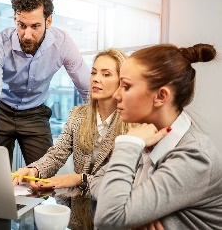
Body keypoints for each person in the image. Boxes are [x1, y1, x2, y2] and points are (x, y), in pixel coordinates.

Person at [90, 43, 222, 230]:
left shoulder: (195, 156)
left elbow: (108, 218)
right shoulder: (147, 134)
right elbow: (98, 179)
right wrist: (129, 208)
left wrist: (128, 144)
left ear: (161, 96)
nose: (117, 95)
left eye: (126, 86)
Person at [13, 48, 136, 229]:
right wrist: (34, 171)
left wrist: (80, 179)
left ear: (122, 81)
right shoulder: (78, 115)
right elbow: (57, 154)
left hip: (116, 213)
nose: (96, 78)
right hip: (79, 214)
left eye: (106, 74)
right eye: (93, 72)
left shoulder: (133, 124)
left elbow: (125, 180)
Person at [0, 0, 90, 165]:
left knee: (44, 177)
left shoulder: (63, 44)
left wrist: (103, 123)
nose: (27, 35)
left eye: (35, 26)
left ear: (49, 21)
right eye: (22, 25)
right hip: (1, 110)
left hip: (35, 113)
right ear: (15, 18)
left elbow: (87, 88)